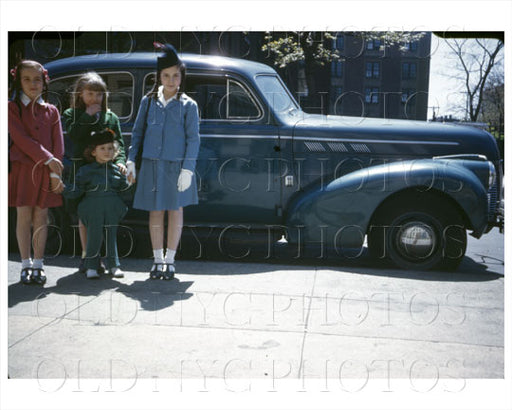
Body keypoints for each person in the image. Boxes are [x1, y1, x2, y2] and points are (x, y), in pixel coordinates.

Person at [126, 43, 200, 280]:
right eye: (166, 75)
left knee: (175, 211)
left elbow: (193, 139)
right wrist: (130, 161)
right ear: (159, 76)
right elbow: (137, 134)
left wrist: (187, 169)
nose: (170, 80)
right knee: (155, 212)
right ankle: (157, 260)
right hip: (151, 165)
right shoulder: (148, 102)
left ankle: (170, 260)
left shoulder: (189, 105)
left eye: (175, 75)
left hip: (176, 167)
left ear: (181, 77)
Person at [62, 72, 127, 273]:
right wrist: (88, 114)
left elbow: (119, 144)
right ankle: (88, 257)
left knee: (106, 216)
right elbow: (75, 134)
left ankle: (110, 260)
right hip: (82, 170)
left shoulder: (111, 117)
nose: (94, 99)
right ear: (80, 93)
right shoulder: (70, 114)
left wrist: (121, 161)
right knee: (85, 216)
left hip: (105, 172)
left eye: (99, 95)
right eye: (90, 94)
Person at [8, 60, 65, 285]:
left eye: (37, 79)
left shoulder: (51, 111)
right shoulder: (11, 108)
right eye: (27, 79)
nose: (33, 84)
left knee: (41, 216)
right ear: (18, 81)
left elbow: (58, 144)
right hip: (23, 170)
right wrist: (48, 159)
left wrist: (55, 173)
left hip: (47, 173)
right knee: (24, 216)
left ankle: (39, 264)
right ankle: (25, 263)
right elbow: (21, 139)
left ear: (44, 81)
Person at [63, 129, 130, 279]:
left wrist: (128, 181)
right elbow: (77, 189)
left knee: (111, 236)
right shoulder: (86, 171)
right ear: (93, 152)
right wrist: (64, 189)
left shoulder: (116, 170)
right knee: (94, 236)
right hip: (93, 208)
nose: (107, 152)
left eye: (110, 148)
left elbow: (123, 189)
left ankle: (114, 265)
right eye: (102, 148)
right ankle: (91, 266)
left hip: (111, 208)